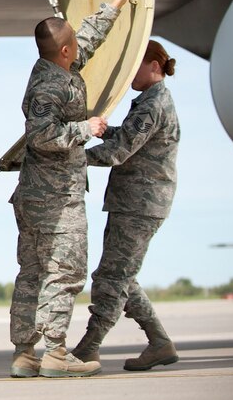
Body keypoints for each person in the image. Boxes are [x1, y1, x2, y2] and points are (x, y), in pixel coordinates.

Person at [8, 0, 130, 379]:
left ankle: (26, 355)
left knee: (33, 273)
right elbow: (41, 136)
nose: (79, 47)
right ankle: (56, 354)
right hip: (53, 200)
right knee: (65, 272)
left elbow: (87, 40)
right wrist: (87, 129)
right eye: (73, 44)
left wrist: (114, 1)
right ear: (64, 51)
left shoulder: (56, 69)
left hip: (38, 197)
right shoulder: (49, 86)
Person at [72, 40, 181, 371]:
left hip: (140, 205)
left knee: (111, 279)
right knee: (123, 276)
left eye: (137, 65)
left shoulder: (152, 105)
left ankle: (89, 347)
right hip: (135, 202)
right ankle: (159, 343)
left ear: (155, 66)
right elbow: (129, 138)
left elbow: (119, 153)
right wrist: (104, 131)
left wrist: (72, 156)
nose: (130, 72)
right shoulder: (150, 101)